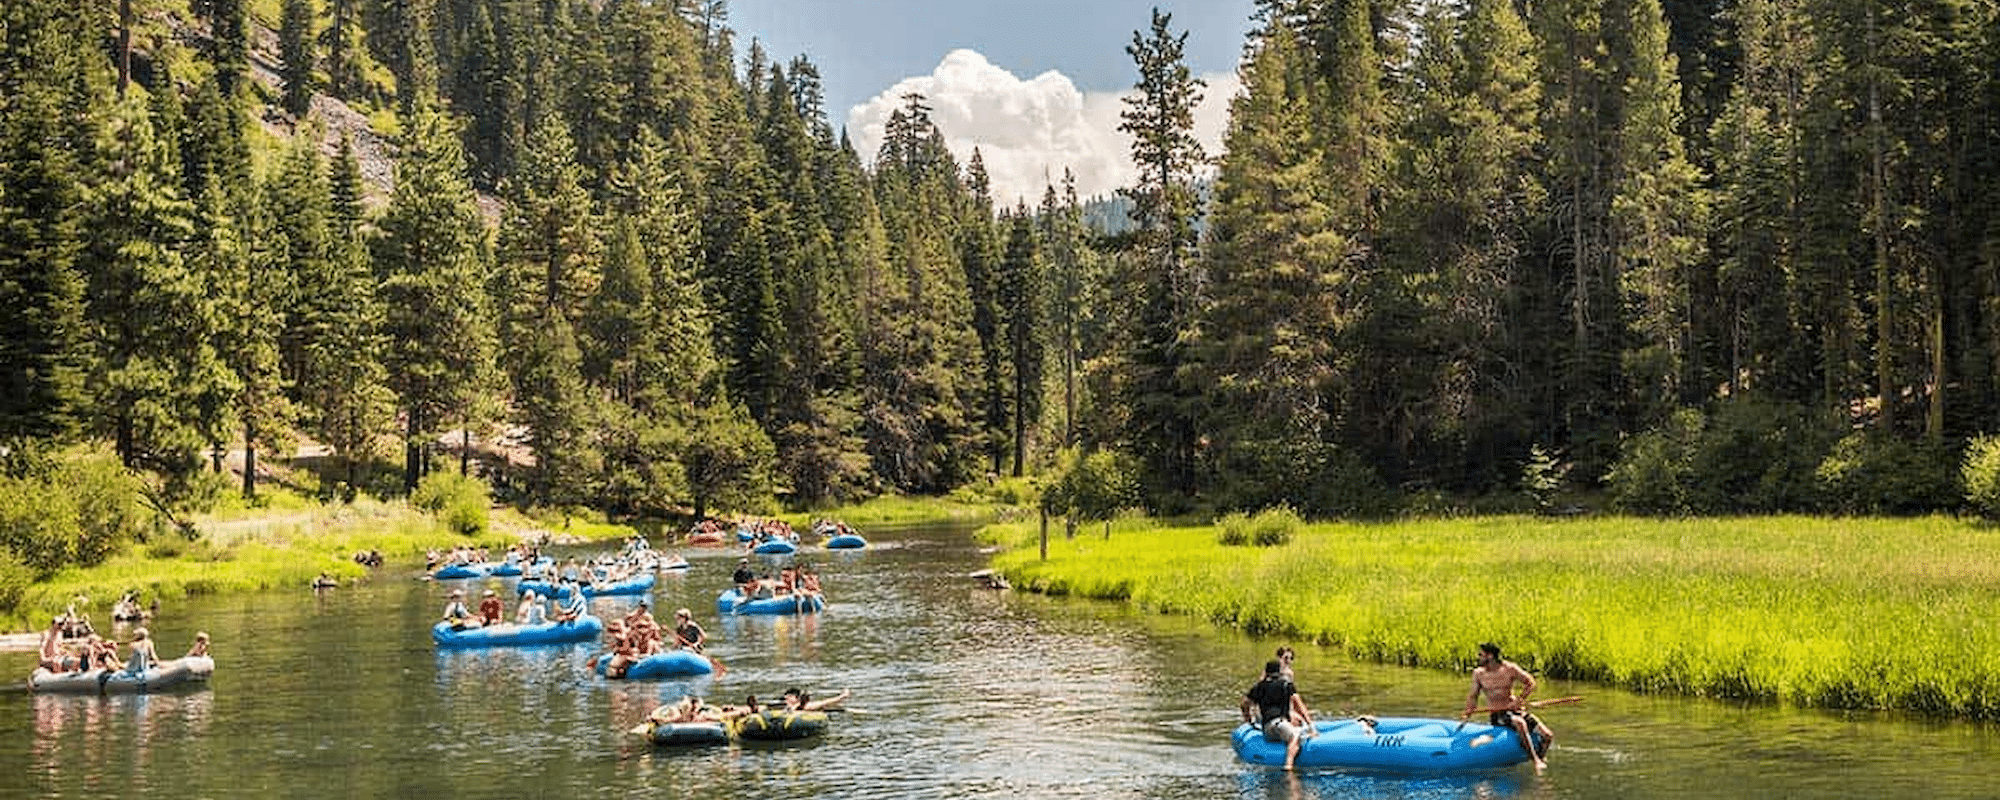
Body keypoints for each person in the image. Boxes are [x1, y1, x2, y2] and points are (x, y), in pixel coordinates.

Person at [1463, 642, 1554, 774]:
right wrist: (1468, 712)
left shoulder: (1509, 668)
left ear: (1490, 656)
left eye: (1481, 655)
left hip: (1515, 710)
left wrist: (1519, 700)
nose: (1479, 658)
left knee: (1548, 736)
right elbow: (1473, 696)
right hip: (1498, 713)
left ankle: (1540, 757)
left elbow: (1530, 683)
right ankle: (1536, 761)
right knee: (1519, 723)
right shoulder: (1478, 673)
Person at [1242, 659, 1313, 771]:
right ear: (1280, 672)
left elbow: (1244, 704)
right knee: (1295, 736)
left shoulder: (1259, 687)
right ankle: (1289, 765)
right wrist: (1310, 726)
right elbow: (1300, 707)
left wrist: (1248, 718)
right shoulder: (1286, 685)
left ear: (1266, 672)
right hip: (1279, 725)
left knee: (1293, 722)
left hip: (1267, 730)